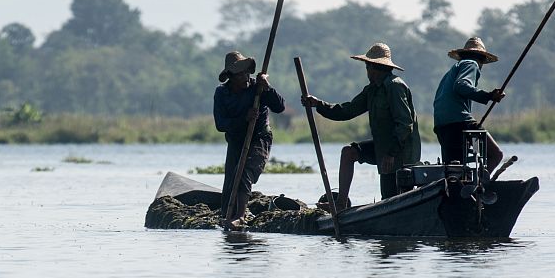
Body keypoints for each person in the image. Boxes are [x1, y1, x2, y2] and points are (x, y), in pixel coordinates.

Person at [301, 42, 420, 206]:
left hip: (400, 153)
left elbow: (405, 124)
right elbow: (347, 111)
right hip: (382, 149)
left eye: (367, 67)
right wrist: (318, 104)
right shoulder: (371, 90)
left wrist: (391, 153)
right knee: (349, 153)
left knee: (392, 201)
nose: (367, 71)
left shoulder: (394, 86)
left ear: (374, 67)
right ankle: (341, 204)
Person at [213, 50, 286, 228]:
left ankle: (240, 216)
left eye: (247, 72)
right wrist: (243, 119)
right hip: (236, 140)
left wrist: (267, 86)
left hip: (259, 137)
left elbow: (280, 107)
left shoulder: (257, 88)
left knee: (244, 171)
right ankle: (228, 215)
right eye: (240, 74)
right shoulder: (222, 93)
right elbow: (221, 124)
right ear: (231, 76)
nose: (245, 76)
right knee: (231, 181)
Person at [433, 37, 506, 172]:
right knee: (495, 155)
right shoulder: (471, 64)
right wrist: (489, 96)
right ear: (482, 59)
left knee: (454, 169)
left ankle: (459, 189)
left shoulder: (452, 71)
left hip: (442, 126)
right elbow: (461, 86)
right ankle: (480, 186)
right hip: (460, 123)